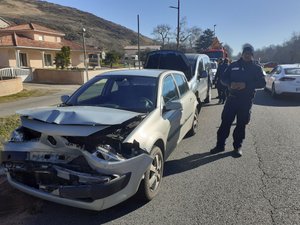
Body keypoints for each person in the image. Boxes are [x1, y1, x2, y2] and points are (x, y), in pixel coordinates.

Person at [210, 44, 266, 157]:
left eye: (249, 54)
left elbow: (262, 83)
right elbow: (223, 79)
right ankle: (220, 145)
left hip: (245, 101)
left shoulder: (256, 68)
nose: (247, 55)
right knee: (225, 123)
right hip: (231, 99)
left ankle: (237, 147)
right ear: (242, 54)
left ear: (252, 55)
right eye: (245, 53)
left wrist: (246, 85)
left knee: (241, 125)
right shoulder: (233, 65)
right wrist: (230, 84)